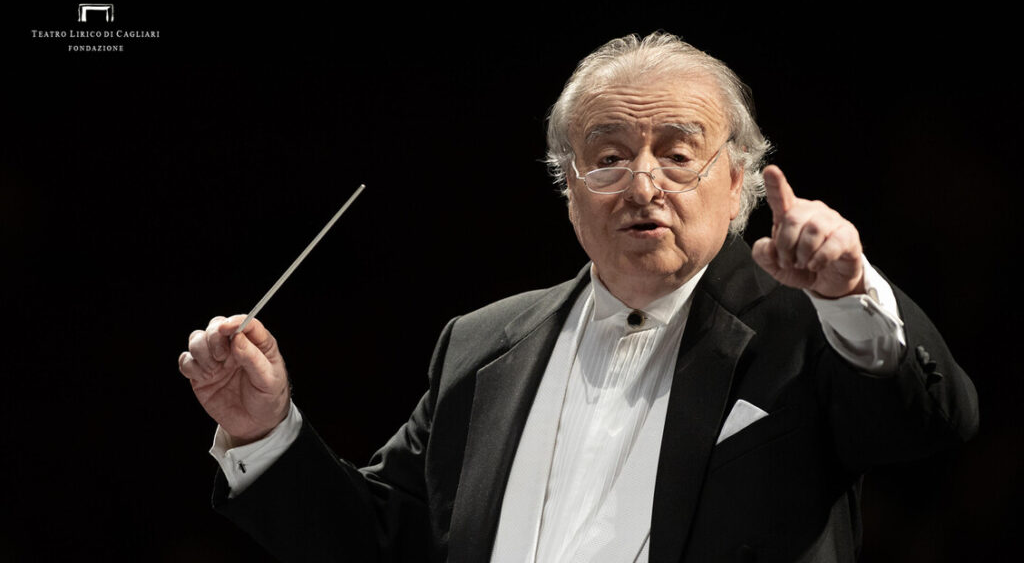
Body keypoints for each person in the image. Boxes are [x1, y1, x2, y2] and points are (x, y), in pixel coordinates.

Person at [179, 32, 978, 562]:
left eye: (678, 155)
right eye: (607, 157)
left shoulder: (807, 325)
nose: (643, 184)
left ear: (737, 181)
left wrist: (850, 294)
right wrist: (264, 430)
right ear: (569, 188)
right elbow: (382, 543)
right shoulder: (482, 344)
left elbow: (929, 425)